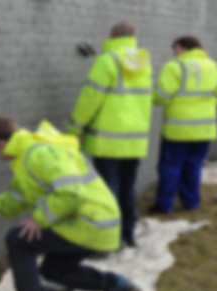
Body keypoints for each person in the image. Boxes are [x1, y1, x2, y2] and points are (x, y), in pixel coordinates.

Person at [0, 116, 141, 291]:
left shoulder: (39, 154)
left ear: (0, 144)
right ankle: (120, 287)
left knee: (18, 240)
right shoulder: (26, 156)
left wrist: (39, 220)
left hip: (91, 223)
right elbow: (17, 198)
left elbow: (72, 193)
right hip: (95, 224)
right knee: (53, 271)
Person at [67, 22, 153, 248]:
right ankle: (128, 233)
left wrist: (75, 129)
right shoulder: (143, 62)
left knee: (108, 190)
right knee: (128, 186)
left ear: (112, 35)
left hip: (108, 142)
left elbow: (90, 98)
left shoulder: (107, 61)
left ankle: (110, 238)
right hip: (134, 141)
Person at [149, 36, 217, 214]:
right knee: (194, 166)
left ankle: (164, 205)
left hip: (178, 129)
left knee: (170, 167)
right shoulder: (215, 67)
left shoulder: (174, 67)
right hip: (205, 128)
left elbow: (161, 96)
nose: (174, 52)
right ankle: (191, 203)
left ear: (183, 47)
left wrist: (150, 96)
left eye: (175, 48)